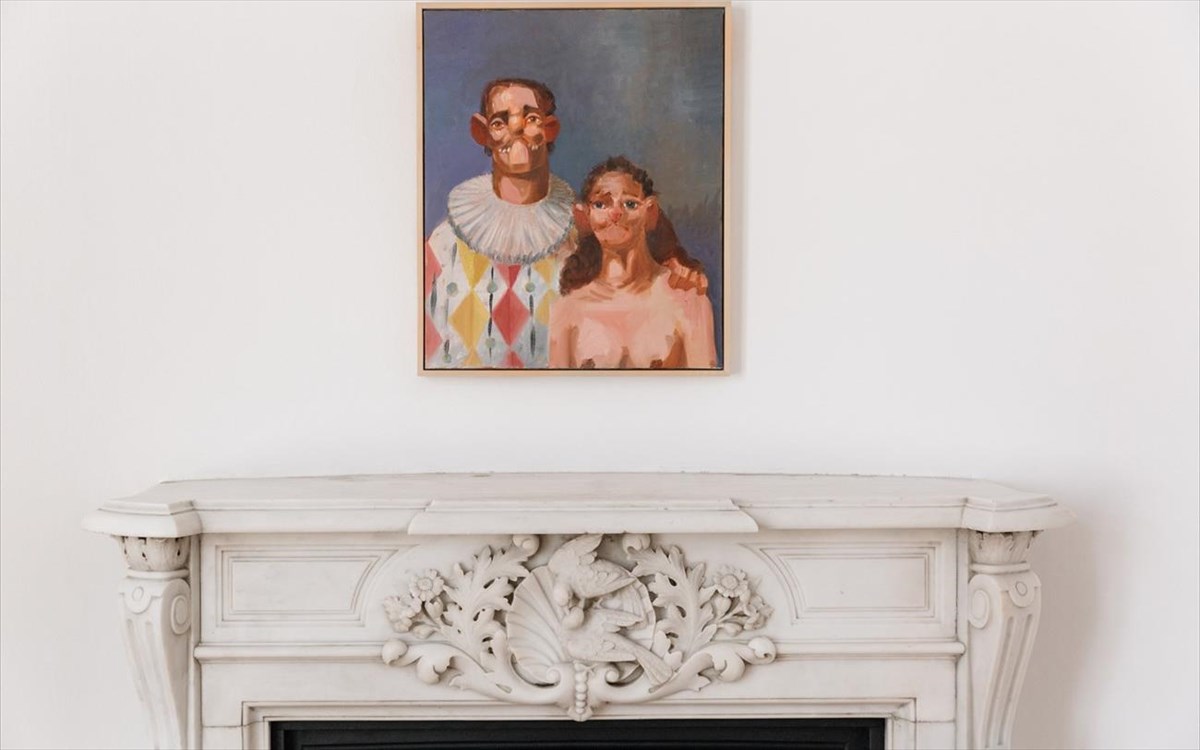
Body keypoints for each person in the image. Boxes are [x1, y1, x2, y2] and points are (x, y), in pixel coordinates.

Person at [424, 78, 705, 369]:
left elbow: (643, 229)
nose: (516, 128)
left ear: (549, 129)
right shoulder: (445, 241)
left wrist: (676, 259)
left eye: (531, 118)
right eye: (500, 122)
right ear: (482, 132)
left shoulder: (581, 222)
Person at [550, 157, 717, 369]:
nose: (615, 214)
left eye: (630, 204)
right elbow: (558, 387)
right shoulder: (568, 308)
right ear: (584, 216)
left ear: (650, 211)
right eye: (601, 204)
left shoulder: (687, 298)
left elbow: (704, 384)